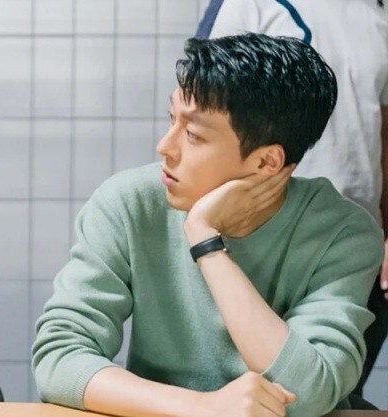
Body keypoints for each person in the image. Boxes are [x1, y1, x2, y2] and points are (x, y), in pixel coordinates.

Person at [32, 33, 383, 417]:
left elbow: (310, 392)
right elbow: (59, 359)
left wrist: (205, 240)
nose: (165, 147)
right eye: (172, 119)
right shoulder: (129, 203)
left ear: (266, 162)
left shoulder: (342, 232)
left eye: (193, 135)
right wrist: (202, 407)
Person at [196, 0, 388, 397]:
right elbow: (202, 110)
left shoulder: (377, 12)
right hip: (255, 244)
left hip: (350, 254)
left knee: (323, 397)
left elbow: (384, 130)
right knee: (238, 395)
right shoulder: (247, 4)